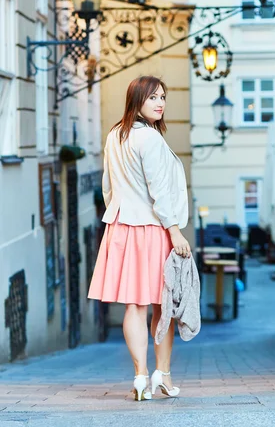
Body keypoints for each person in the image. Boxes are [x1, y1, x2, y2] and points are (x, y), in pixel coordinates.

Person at [88, 75, 191, 401]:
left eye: (162, 97)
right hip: (152, 229)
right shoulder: (149, 139)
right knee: (164, 306)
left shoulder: (114, 136)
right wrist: (174, 231)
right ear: (137, 101)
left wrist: (121, 213)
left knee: (135, 306)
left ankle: (140, 378)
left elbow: (108, 187)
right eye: (153, 98)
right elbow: (159, 191)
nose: (160, 103)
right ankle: (163, 374)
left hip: (121, 227)